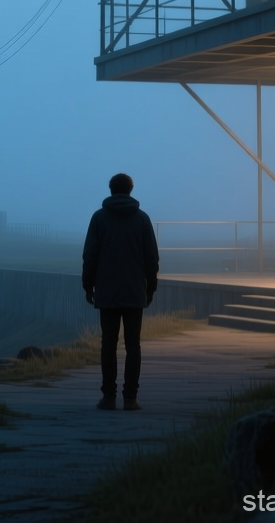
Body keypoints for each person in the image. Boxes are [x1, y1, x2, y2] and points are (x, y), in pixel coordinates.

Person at [81, 172, 159, 411]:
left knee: (108, 344)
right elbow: (151, 258)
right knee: (133, 344)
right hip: (135, 291)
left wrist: (88, 285)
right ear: (130, 190)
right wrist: (150, 288)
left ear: (111, 189)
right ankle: (130, 398)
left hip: (107, 291)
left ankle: (108, 397)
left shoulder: (99, 218)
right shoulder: (143, 219)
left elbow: (90, 255)